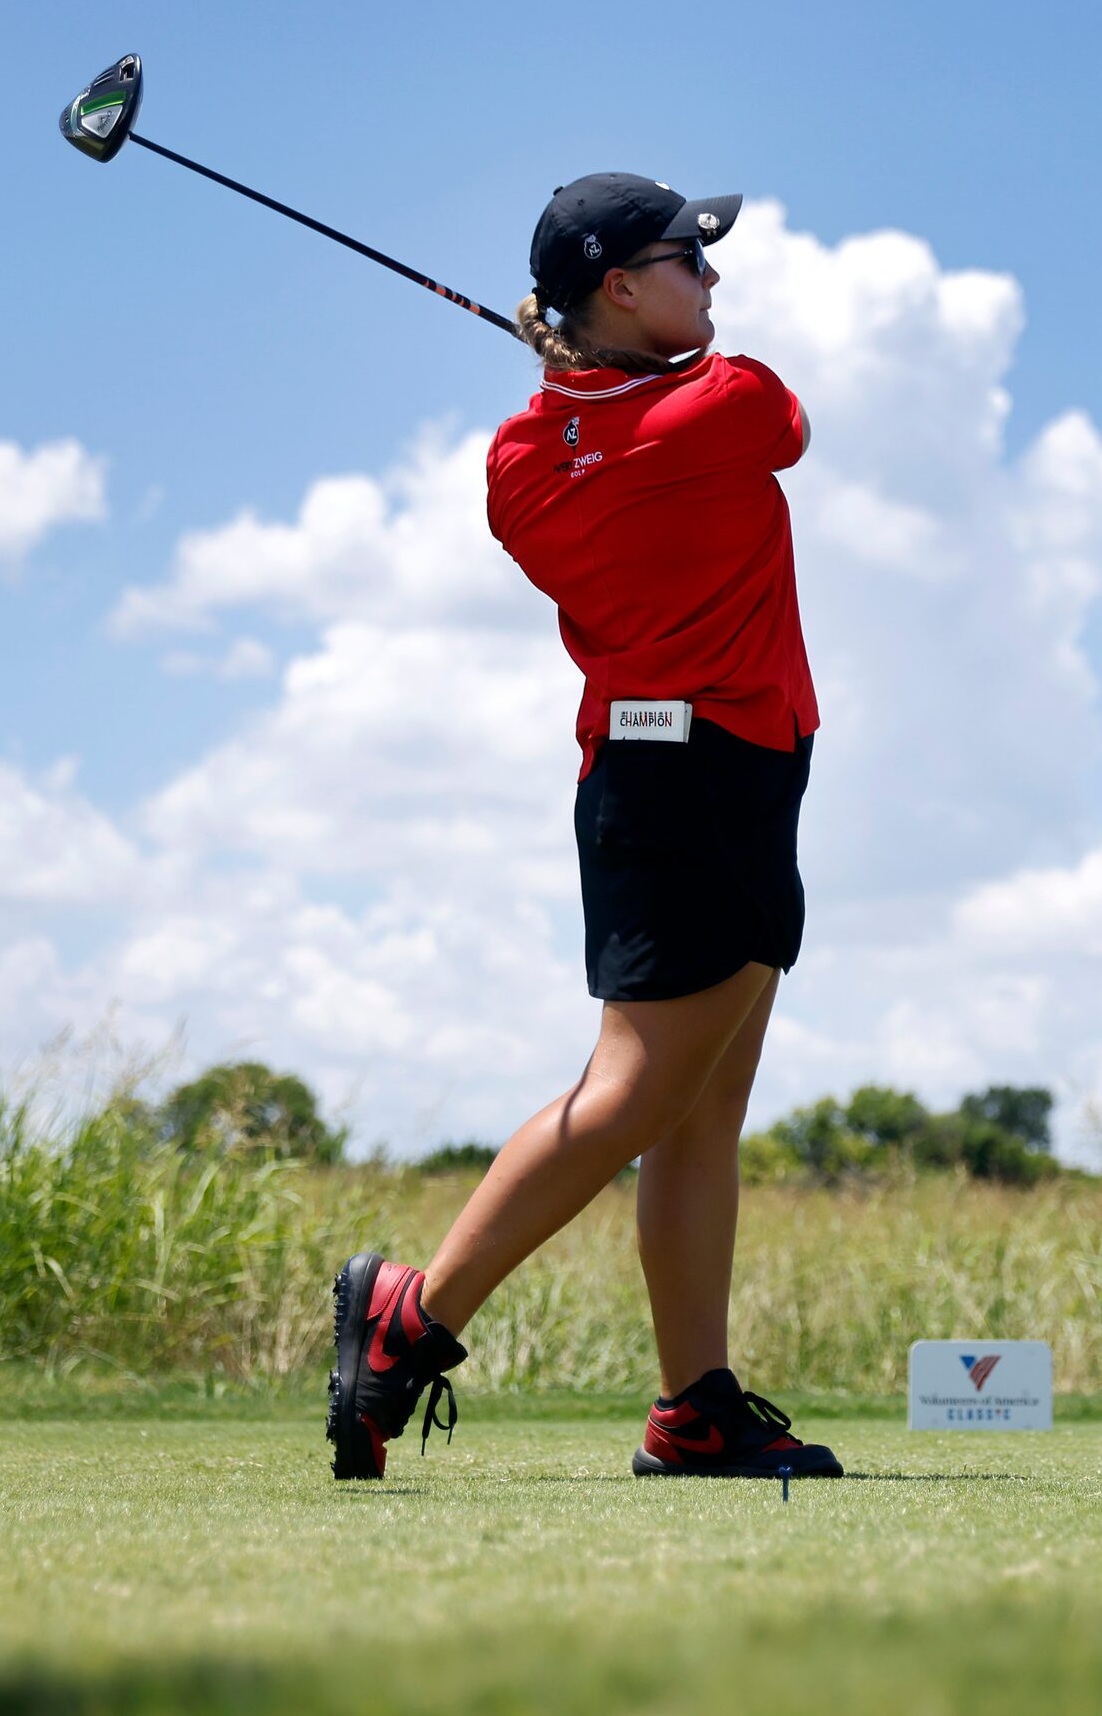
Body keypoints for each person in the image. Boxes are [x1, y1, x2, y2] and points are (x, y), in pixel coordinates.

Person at [325, 173, 841, 1484]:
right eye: (687, 259)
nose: (713, 284)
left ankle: (694, 1403)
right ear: (619, 285)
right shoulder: (722, 404)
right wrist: (610, 379)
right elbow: (782, 418)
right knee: (635, 1091)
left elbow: (600, 446)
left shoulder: (515, 462)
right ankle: (414, 1310)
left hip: (649, 777)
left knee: (696, 1110)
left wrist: (580, 381)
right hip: (710, 779)